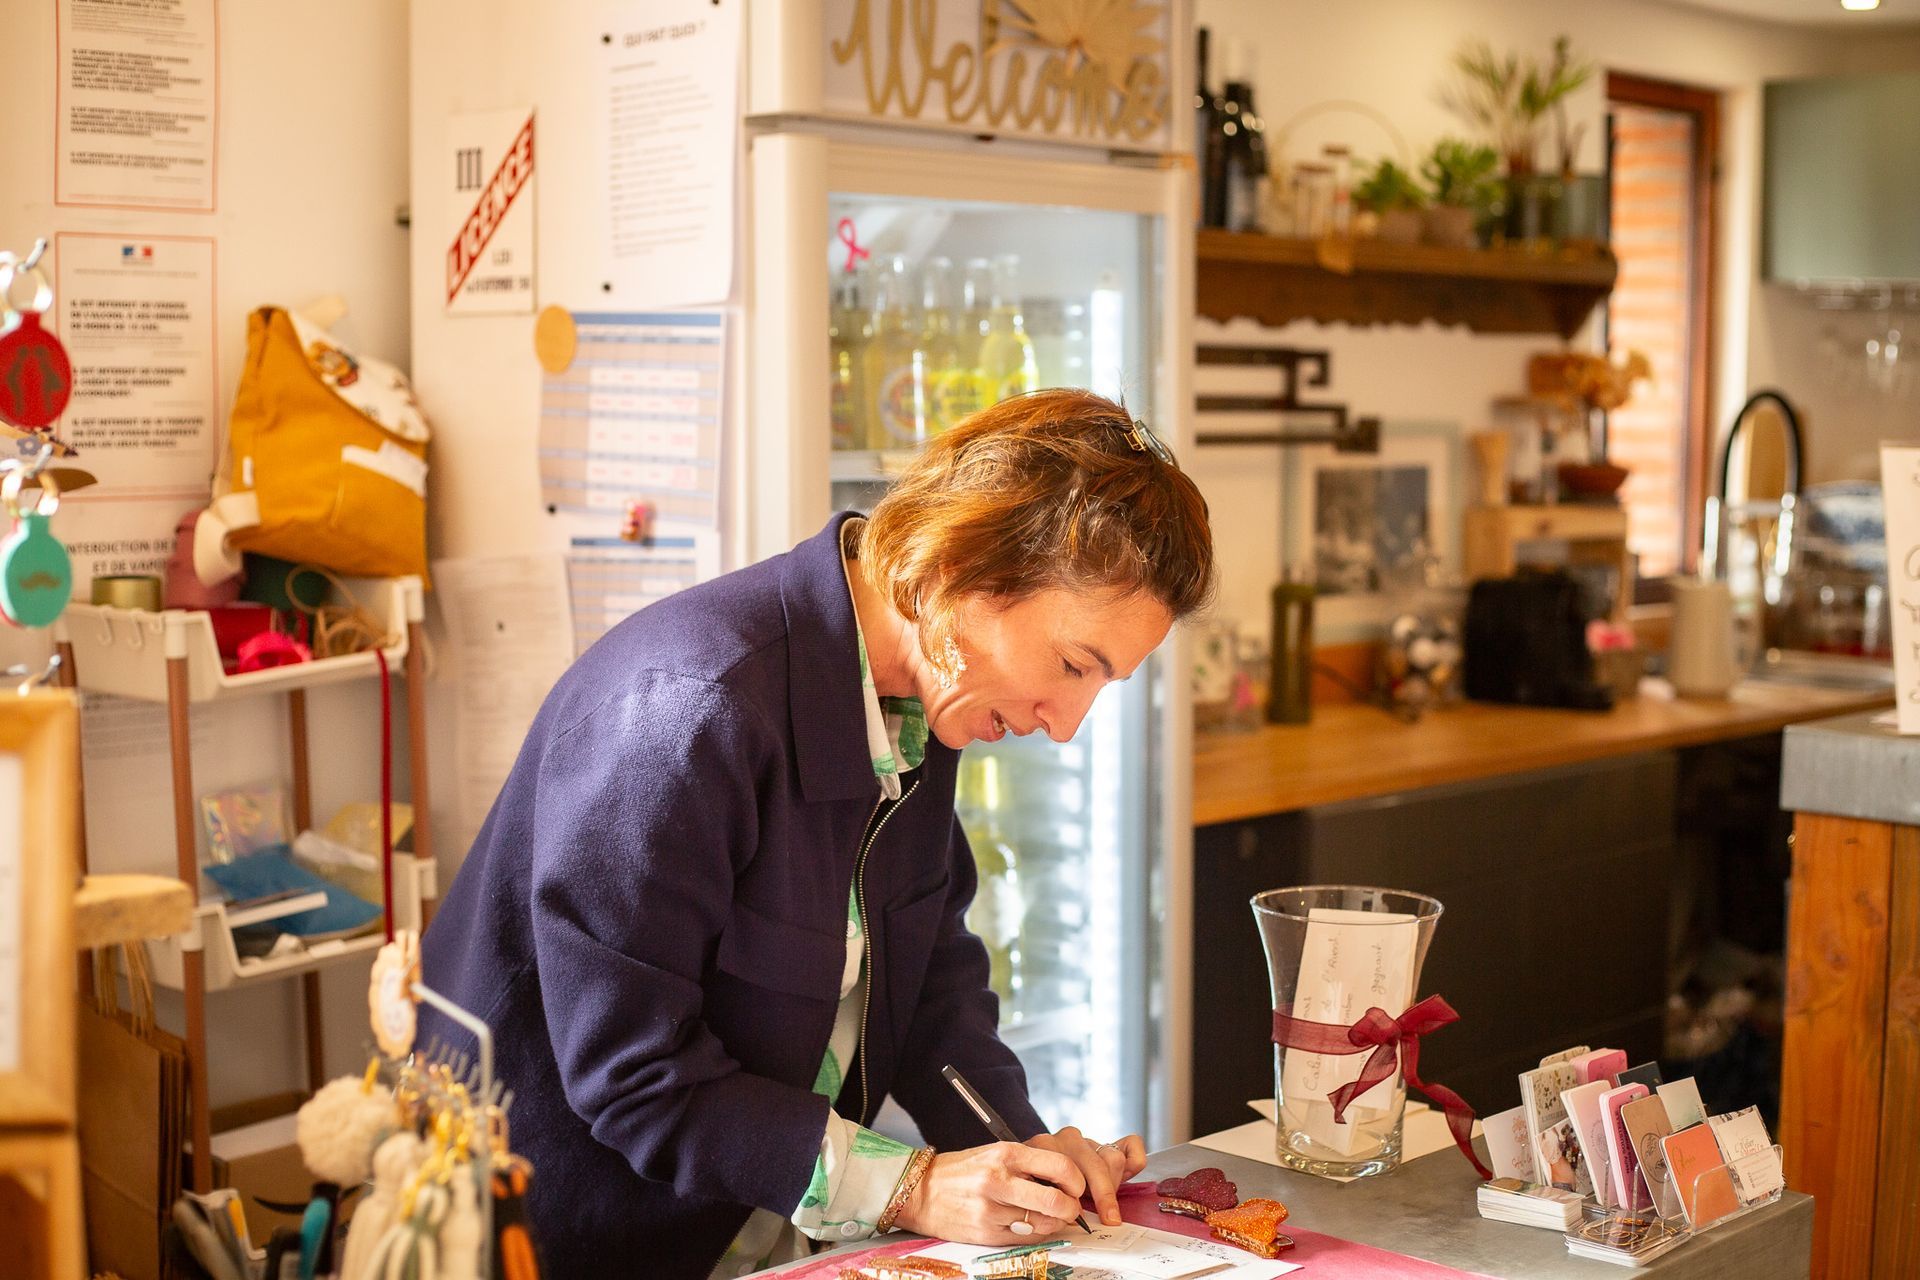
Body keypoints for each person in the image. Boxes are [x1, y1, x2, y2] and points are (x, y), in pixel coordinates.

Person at [419, 388, 1215, 1277]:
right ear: (967, 570)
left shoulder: (923, 692)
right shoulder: (690, 709)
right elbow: (634, 1076)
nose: (1065, 724)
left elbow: (927, 979)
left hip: (748, 1228)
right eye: (1073, 666)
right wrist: (914, 1187)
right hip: (559, 1242)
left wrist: (1022, 1155)